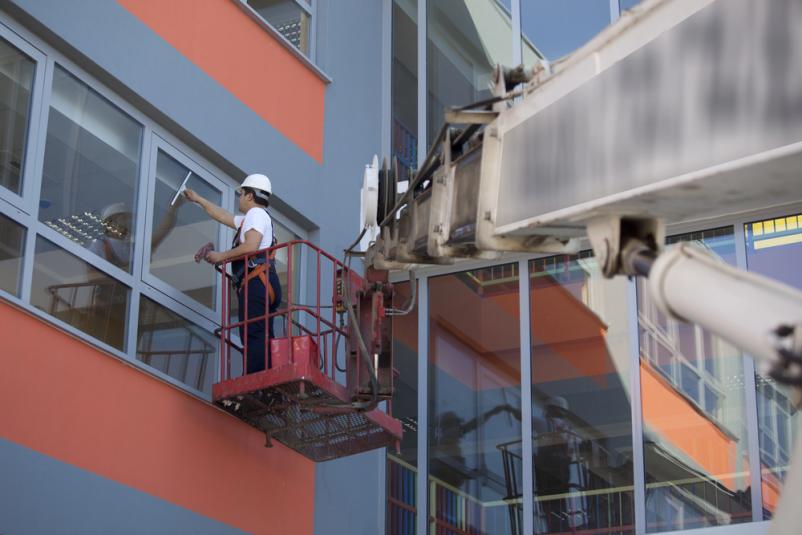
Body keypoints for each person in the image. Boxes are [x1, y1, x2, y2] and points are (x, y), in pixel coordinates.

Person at [183, 173, 281, 374]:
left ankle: (256, 382)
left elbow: (251, 246)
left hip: (257, 281)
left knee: (252, 333)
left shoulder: (255, 214)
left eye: (241, 193)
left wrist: (221, 256)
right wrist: (199, 199)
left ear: (249, 196)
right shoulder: (254, 218)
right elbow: (222, 215)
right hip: (264, 281)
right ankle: (268, 381)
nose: (240, 198)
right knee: (262, 335)